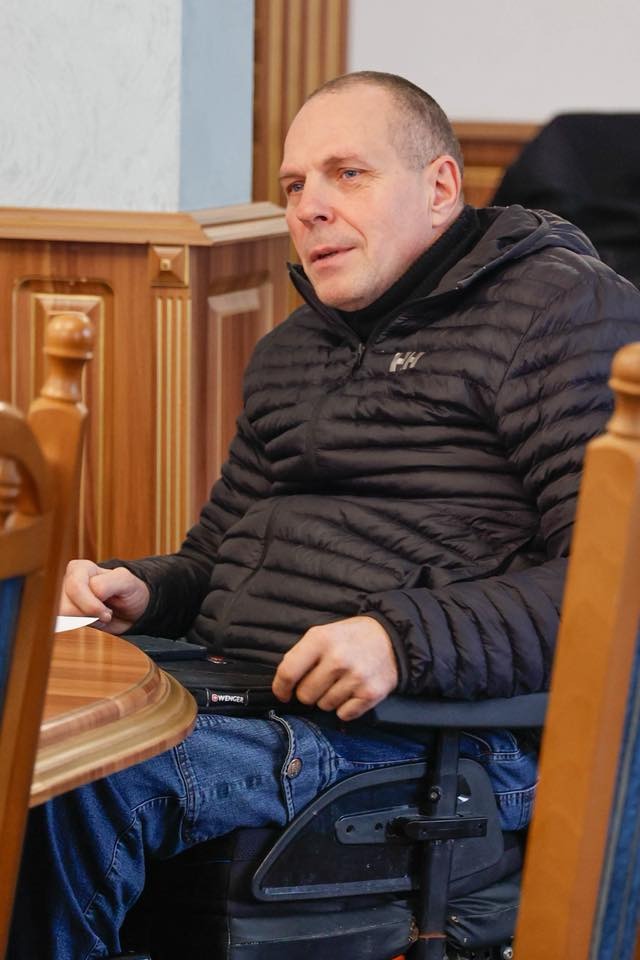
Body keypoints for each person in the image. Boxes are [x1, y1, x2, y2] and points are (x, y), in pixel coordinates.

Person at [10, 71, 640, 959]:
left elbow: (615, 590)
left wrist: (399, 640)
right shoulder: (291, 349)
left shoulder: (563, 311)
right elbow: (218, 558)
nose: (309, 206)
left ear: (440, 187)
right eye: (294, 184)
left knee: (66, 782)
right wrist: (142, 590)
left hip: (432, 740)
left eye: (348, 173)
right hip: (241, 693)